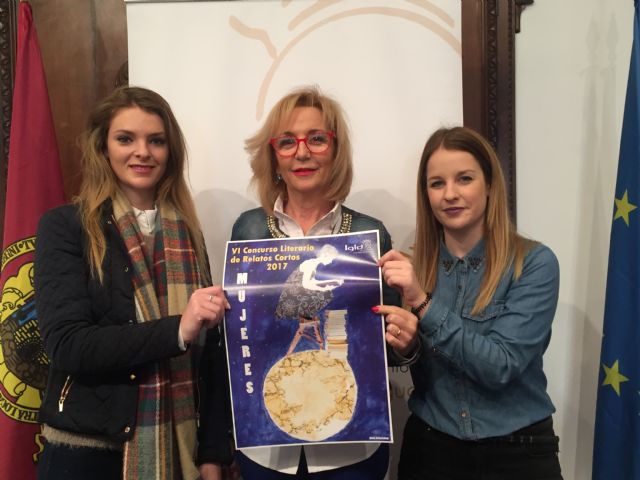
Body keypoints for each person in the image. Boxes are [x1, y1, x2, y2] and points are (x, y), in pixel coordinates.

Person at [34, 86, 232, 480]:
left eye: (156, 141)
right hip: (86, 456)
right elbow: (68, 344)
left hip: (180, 451)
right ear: (103, 147)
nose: (143, 152)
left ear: (170, 151)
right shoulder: (65, 227)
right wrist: (176, 330)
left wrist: (212, 453)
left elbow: (210, 354)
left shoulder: (188, 233)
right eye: (126, 139)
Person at [230, 85, 399, 479]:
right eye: (287, 142)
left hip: (351, 451)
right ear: (273, 155)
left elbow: (389, 350)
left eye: (317, 139)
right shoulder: (248, 230)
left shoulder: (369, 234)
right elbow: (234, 344)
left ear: (335, 151)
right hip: (266, 451)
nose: (302, 152)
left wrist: (405, 342)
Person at [375, 126, 563, 480]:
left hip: (518, 453)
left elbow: (501, 366)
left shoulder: (533, 264)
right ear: (426, 194)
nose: (450, 194)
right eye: (437, 183)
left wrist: (423, 304)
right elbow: (415, 363)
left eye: (464, 179)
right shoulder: (413, 267)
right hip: (431, 450)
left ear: (489, 185)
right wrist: (408, 346)